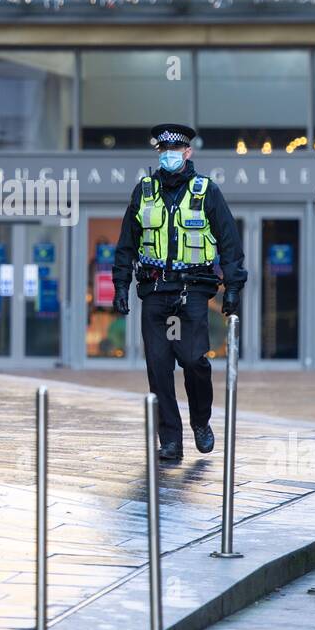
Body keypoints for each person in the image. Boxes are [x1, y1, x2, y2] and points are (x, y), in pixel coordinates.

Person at [111, 124, 247, 461]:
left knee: (193, 360)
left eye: (176, 150)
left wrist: (233, 289)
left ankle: (200, 421)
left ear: (188, 152)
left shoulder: (206, 192)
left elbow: (230, 244)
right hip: (156, 290)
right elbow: (126, 245)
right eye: (163, 151)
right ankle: (170, 440)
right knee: (158, 368)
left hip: (192, 291)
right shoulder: (143, 192)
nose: (169, 156)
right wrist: (120, 286)